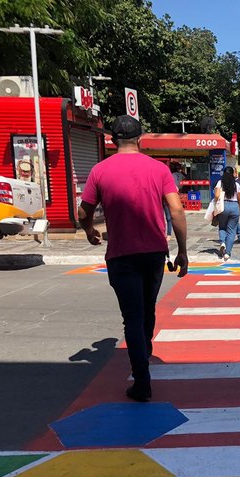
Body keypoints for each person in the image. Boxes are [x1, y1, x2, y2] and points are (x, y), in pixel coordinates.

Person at [78, 115, 188, 403]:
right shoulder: (159, 169)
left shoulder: (100, 171)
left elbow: (83, 211)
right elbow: (176, 211)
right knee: (147, 309)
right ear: (140, 139)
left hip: (121, 254)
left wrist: (90, 230)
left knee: (133, 317)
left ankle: (142, 382)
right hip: (154, 253)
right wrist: (183, 251)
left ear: (113, 140)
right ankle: (145, 352)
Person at [215, 167, 240, 262]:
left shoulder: (220, 183)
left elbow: (216, 195)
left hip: (223, 206)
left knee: (222, 227)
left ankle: (222, 242)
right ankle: (227, 253)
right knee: (231, 231)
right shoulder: (236, 184)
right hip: (234, 206)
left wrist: (215, 205)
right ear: (233, 174)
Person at [164, 163, 185, 240]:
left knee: (167, 217)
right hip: (167, 200)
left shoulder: (171, 177)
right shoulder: (177, 175)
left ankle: (168, 233)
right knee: (168, 217)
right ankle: (168, 234)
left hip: (165, 200)